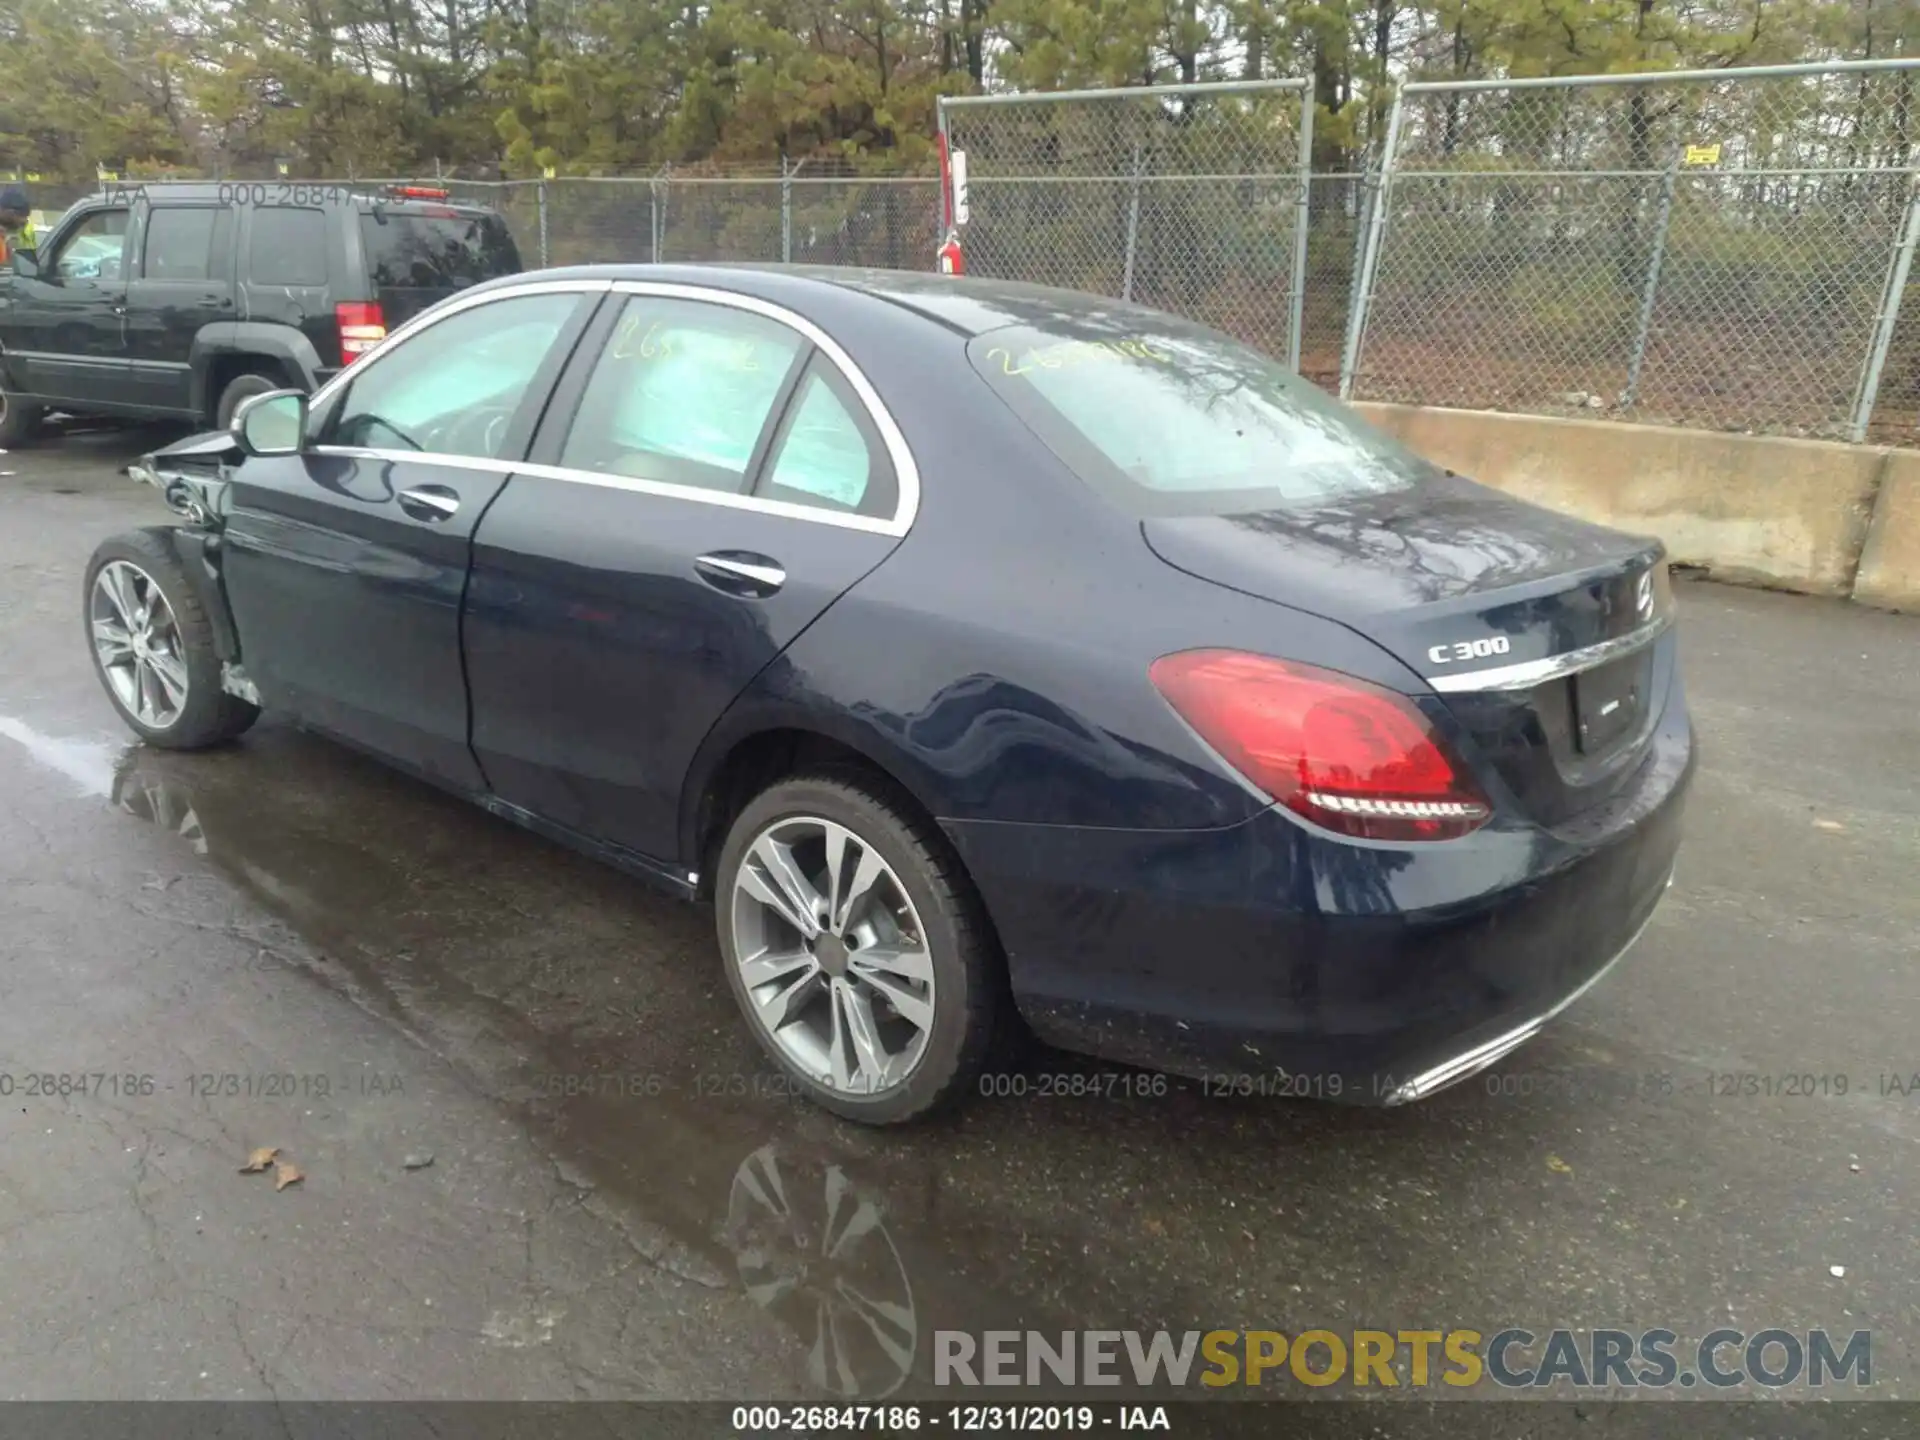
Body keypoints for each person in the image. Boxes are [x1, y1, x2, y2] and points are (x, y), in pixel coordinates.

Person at [0, 186, 38, 264]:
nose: (24, 220)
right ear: (3, 210)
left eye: (26, 216)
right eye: (19, 215)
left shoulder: (28, 233)